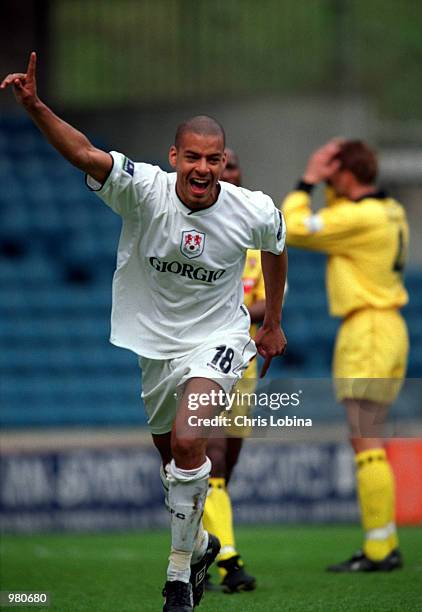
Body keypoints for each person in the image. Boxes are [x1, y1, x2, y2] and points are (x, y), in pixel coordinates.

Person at [2, 53, 287, 610]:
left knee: (188, 441)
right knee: (172, 461)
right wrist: (35, 106)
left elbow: (277, 247)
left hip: (220, 340)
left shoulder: (251, 209)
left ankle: (178, 576)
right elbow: (84, 152)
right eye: (193, 158)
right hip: (154, 346)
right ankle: (202, 544)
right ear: (174, 157)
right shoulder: (143, 190)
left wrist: (272, 321)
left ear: (222, 160)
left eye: (214, 159)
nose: (204, 169)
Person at [281, 139, 409, 572]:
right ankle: (382, 541)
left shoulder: (358, 217)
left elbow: (292, 226)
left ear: (346, 177)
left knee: (364, 437)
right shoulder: (389, 209)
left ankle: (379, 549)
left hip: (368, 327)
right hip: (387, 325)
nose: (328, 187)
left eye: (334, 180)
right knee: (370, 435)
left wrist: (307, 180)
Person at [202, 148, 263, 593]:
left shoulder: (257, 236)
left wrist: (235, 309)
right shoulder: (195, 226)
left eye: (231, 165)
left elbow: (267, 301)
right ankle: (229, 560)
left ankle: (204, 542)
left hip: (245, 362)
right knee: (215, 458)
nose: (227, 171)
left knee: (230, 460)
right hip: (204, 355)